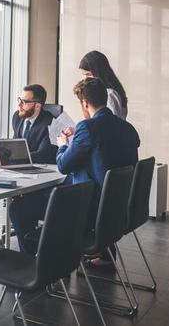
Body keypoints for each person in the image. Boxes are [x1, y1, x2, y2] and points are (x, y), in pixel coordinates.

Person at [55, 77, 140, 265]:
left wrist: (63, 145)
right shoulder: (127, 128)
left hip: (92, 207)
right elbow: (107, 153)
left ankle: (51, 261)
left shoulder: (87, 127)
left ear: (85, 103)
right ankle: (103, 254)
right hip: (119, 205)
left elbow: (63, 166)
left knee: (41, 202)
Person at [0, 84, 61, 254]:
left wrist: (12, 158)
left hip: (41, 172)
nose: (20, 105)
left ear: (37, 105)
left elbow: (44, 153)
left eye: (24, 102)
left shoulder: (50, 123)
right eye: (20, 100)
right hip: (17, 168)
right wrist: (2, 154)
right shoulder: (17, 118)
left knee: (21, 206)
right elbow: (15, 144)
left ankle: (29, 249)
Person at [79, 50, 129, 119]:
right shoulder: (103, 92)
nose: (85, 79)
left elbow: (111, 123)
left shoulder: (110, 95)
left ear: (99, 73)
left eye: (88, 74)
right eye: (84, 75)